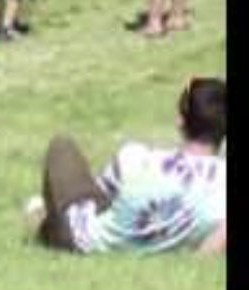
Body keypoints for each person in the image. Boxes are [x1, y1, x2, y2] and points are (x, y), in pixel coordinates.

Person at [26, 78, 226, 255]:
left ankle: (41, 219)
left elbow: (99, 197)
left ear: (180, 121)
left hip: (84, 242)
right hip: (161, 243)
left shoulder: (136, 158)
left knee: (62, 146)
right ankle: (42, 216)